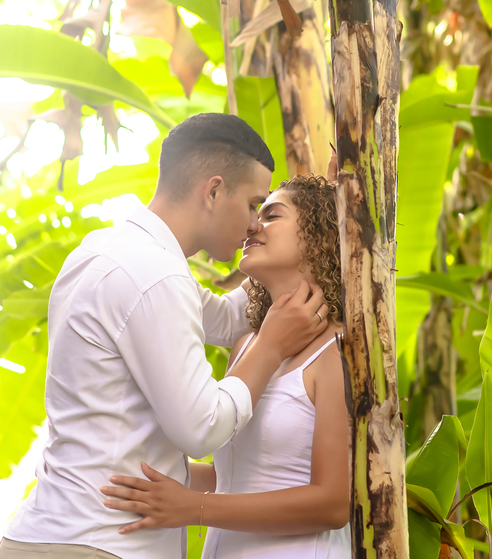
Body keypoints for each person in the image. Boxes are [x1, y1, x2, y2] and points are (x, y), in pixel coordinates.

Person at [0, 115, 331, 559]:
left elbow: (226, 319)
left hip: (49, 532)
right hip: (98, 544)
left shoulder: (105, 251)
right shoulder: (157, 277)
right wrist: (270, 347)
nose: (255, 225)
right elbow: (202, 426)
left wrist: (309, 246)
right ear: (213, 191)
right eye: (253, 205)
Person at [100, 175, 351, 558]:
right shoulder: (247, 345)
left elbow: (332, 504)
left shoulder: (338, 353)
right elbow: (235, 477)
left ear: (320, 236)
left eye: (272, 215)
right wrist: (137, 468)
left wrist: (192, 508)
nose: (253, 225)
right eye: (255, 213)